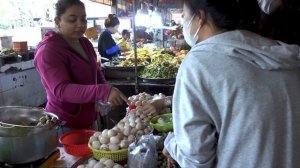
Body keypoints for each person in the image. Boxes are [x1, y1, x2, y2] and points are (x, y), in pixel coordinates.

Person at [162, 0, 300, 167]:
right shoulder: (285, 55)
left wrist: (171, 144)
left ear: (201, 16)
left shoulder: (198, 63)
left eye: (184, 15)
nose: (183, 21)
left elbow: (196, 160)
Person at [34, 0, 127, 131]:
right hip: (64, 124)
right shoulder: (48, 51)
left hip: (89, 119)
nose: (80, 24)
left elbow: (96, 71)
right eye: (72, 20)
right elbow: (62, 90)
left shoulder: (84, 43)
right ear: (57, 21)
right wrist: (102, 91)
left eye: (83, 19)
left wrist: (105, 91)